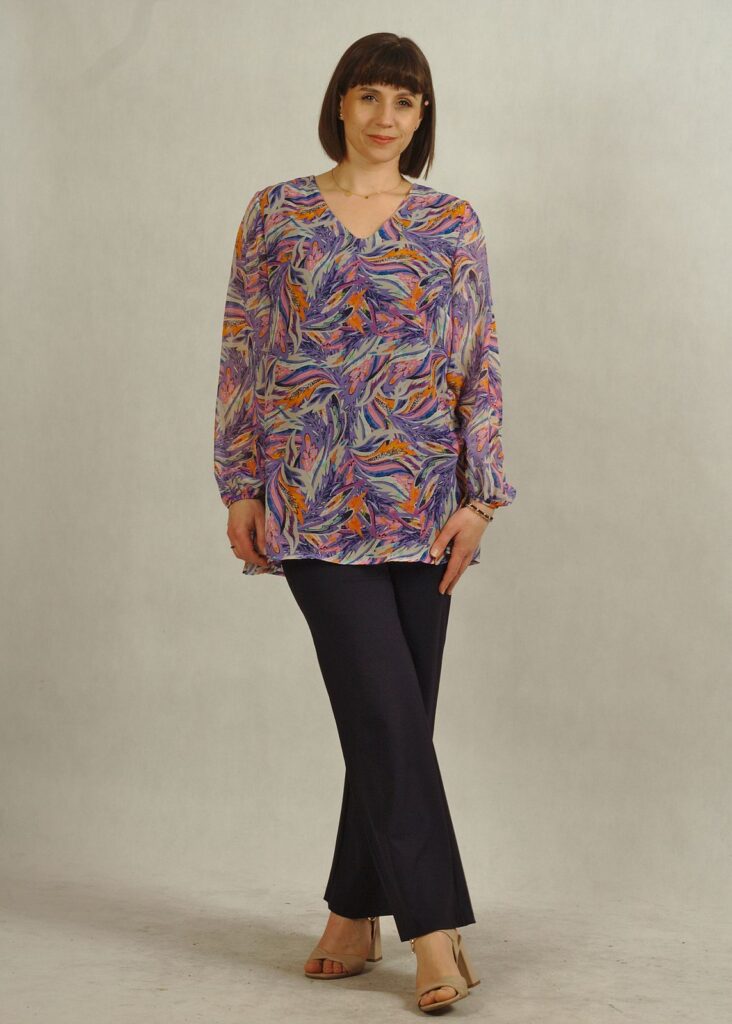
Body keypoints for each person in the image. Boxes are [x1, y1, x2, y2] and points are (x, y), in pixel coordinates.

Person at [213, 31, 516, 1013]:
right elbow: (244, 350)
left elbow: (477, 358)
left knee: (394, 719)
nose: (387, 117)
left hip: (426, 504)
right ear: (340, 102)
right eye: (371, 95)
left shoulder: (450, 222)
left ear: (422, 117)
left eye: (407, 101)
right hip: (310, 500)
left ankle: (354, 911)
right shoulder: (277, 213)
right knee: (385, 713)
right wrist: (240, 482)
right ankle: (435, 931)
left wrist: (481, 498)